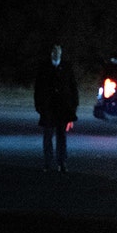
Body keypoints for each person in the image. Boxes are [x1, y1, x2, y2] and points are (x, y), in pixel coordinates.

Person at [33, 43, 79, 173]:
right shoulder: (44, 67)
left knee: (61, 136)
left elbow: (73, 88)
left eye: (58, 51)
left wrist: (73, 108)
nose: (56, 53)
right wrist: (39, 107)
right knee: (48, 136)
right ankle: (48, 162)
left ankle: (62, 162)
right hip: (48, 108)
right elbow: (38, 89)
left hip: (62, 108)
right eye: (54, 51)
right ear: (51, 53)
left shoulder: (66, 67)